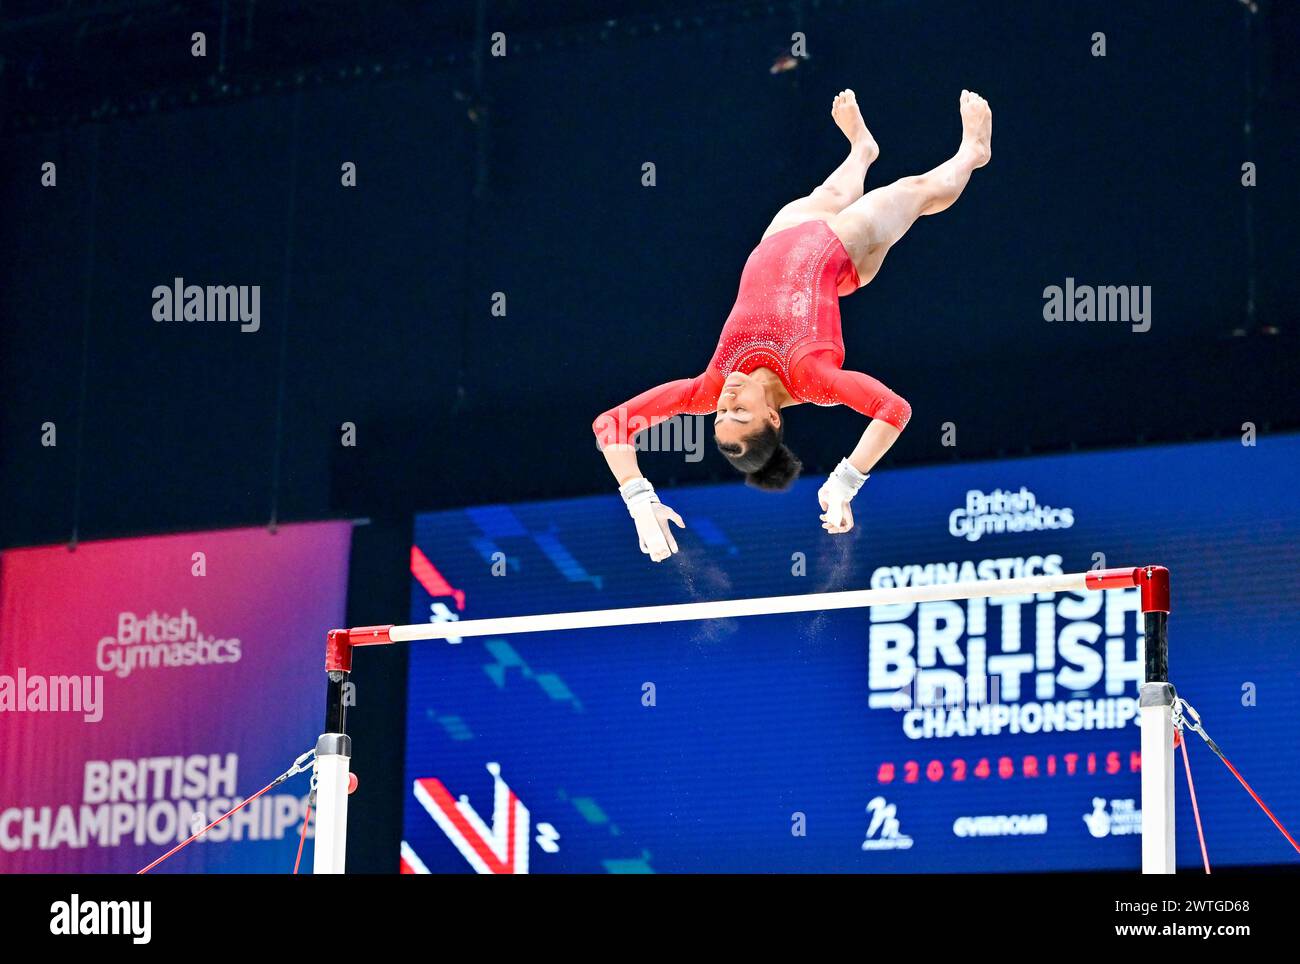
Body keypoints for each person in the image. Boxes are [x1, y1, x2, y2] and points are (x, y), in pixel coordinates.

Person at [593, 89, 992, 561]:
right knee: (911, 192)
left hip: (779, 238)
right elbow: (894, 409)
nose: (725, 403)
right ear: (773, 417)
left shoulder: (711, 386)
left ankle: (862, 151)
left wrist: (639, 501)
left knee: (832, 193)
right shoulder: (812, 380)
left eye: (720, 416)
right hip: (841, 250)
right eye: (739, 414)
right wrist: (846, 481)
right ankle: (974, 154)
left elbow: (612, 424)